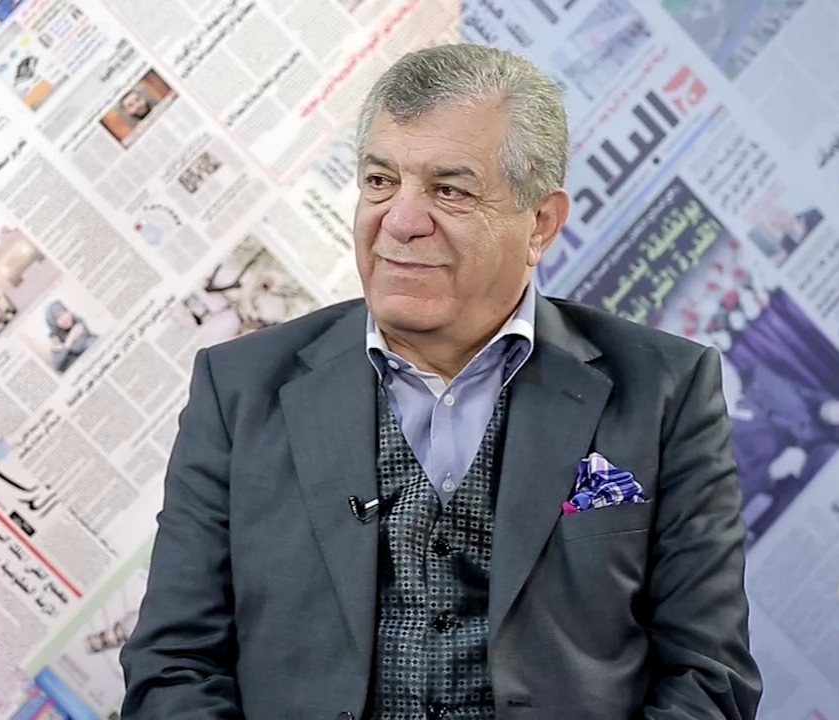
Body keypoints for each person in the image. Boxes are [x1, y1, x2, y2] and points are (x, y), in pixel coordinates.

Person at [120, 44, 762, 719]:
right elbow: (173, 666)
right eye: (379, 181)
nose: (399, 221)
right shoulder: (237, 388)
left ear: (540, 223)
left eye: (449, 190)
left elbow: (707, 678)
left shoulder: (665, 390)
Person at [45, 300, 96, 373]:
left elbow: (79, 347)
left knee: (91, 342)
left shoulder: (78, 323)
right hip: (80, 371)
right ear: (53, 324)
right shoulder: (55, 337)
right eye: (58, 318)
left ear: (69, 312)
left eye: (64, 313)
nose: (64, 318)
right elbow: (57, 365)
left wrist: (63, 348)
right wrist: (69, 341)